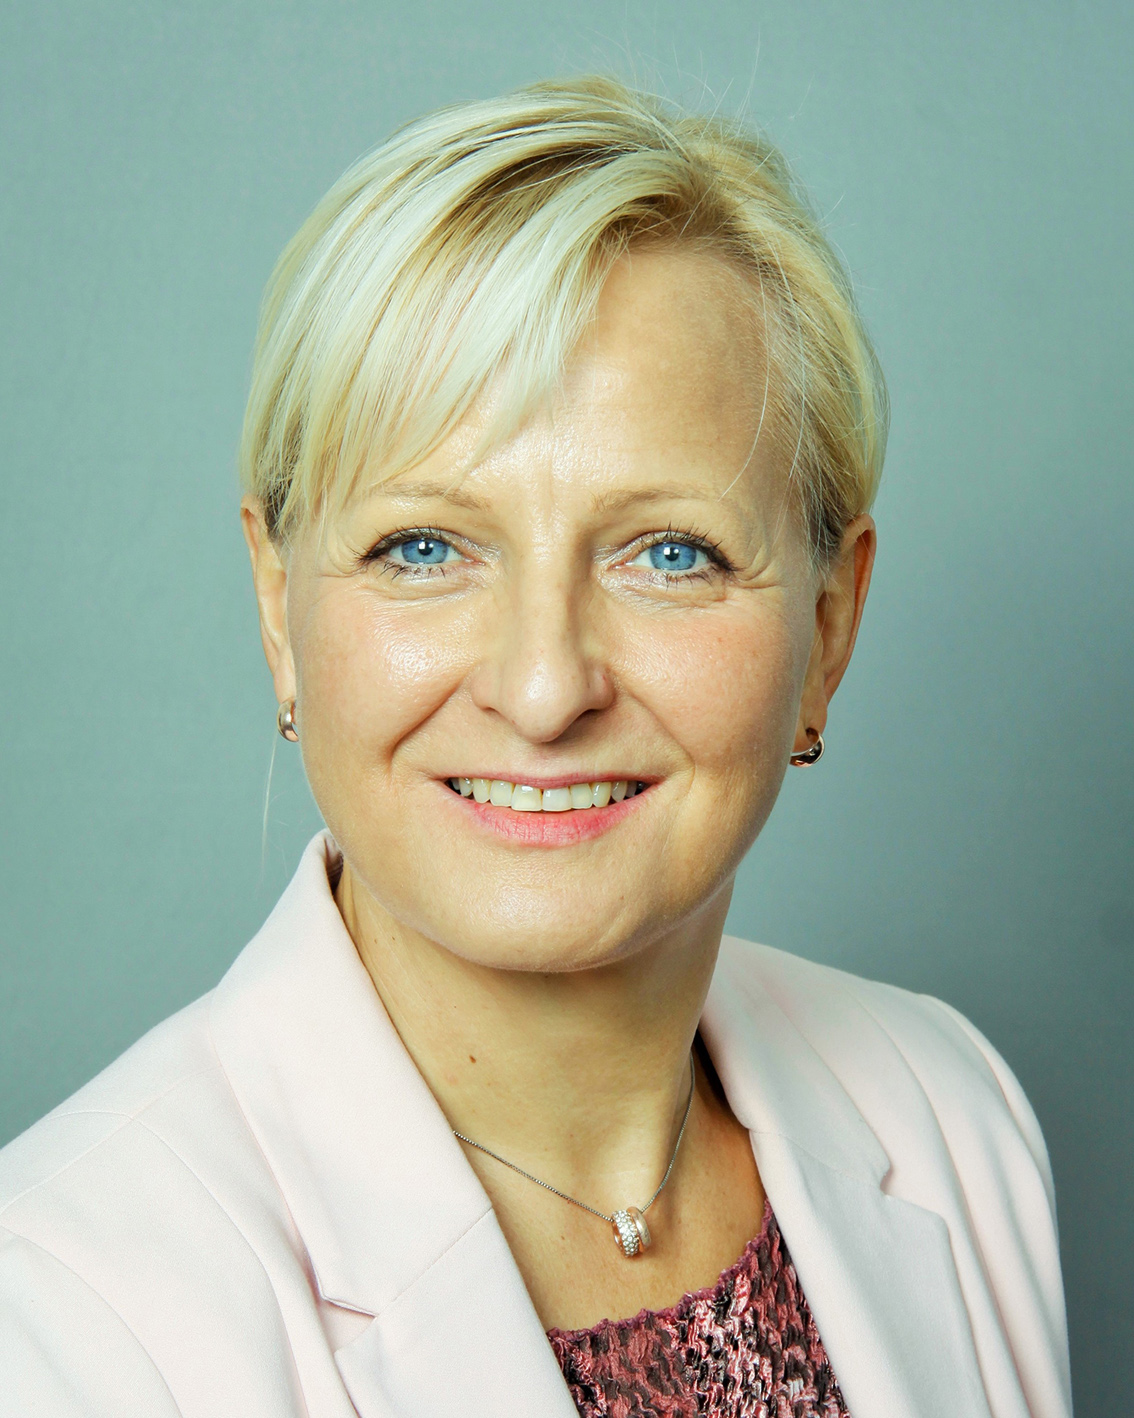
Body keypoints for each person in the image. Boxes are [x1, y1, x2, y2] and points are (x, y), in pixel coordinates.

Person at [0, 77, 1070, 1418]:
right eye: (423, 547)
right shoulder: (58, 1319)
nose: (545, 687)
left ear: (829, 626)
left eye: (669, 553)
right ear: (280, 607)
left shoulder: (952, 1111)